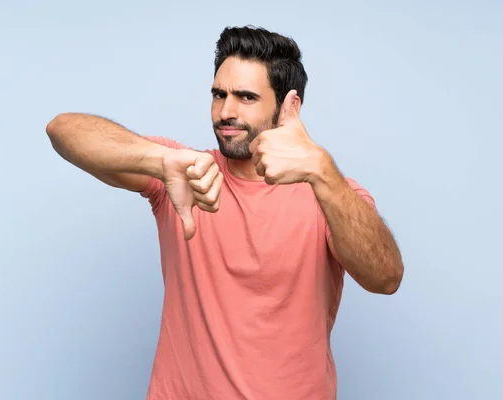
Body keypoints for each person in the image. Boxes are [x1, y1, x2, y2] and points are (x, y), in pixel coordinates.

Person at [46, 25, 404, 400]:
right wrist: (160, 160)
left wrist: (323, 172)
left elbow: (385, 278)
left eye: (246, 97)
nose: (226, 112)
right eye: (219, 95)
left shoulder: (330, 193)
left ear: (288, 108)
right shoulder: (185, 171)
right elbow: (63, 130)